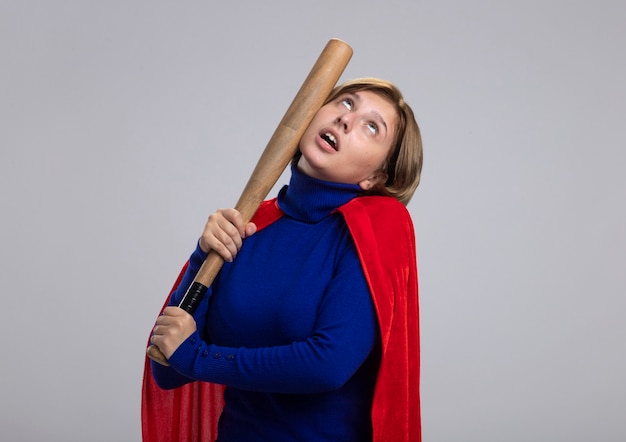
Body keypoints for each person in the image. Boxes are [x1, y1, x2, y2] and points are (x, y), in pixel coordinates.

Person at [142, 77, 423, 442]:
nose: (346, 120)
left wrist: (199, 358)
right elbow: (167, 368)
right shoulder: (251, 224)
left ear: (376, 177)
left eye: (372, 127)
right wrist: (203, 255)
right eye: (346, 103)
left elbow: (328, 364)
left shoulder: (378, 226)